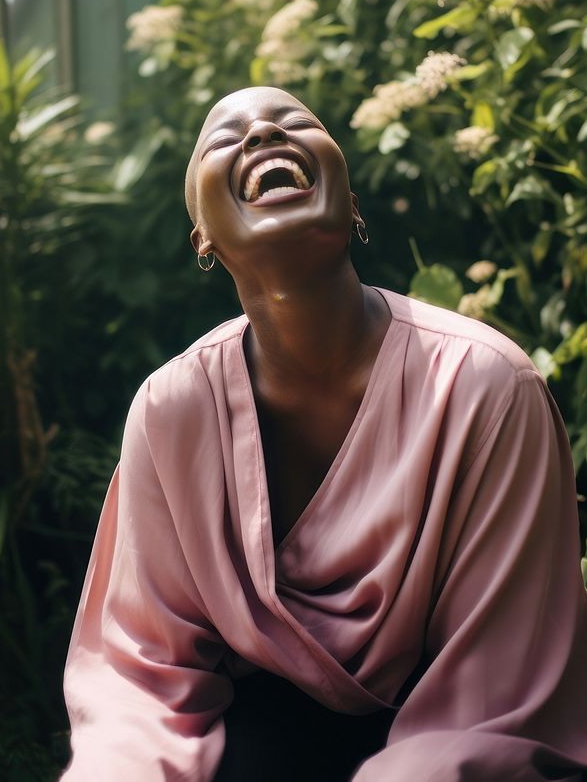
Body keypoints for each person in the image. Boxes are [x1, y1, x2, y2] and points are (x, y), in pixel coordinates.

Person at [61, 86, 587, 781]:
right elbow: (144, 671)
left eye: (293, 123)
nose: (260, 136)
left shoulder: (485, 384)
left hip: (453, 743)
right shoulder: (171, 409)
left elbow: (500, 685)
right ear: (203, 239)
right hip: (250, 743)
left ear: (351, 204)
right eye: (226, 137)